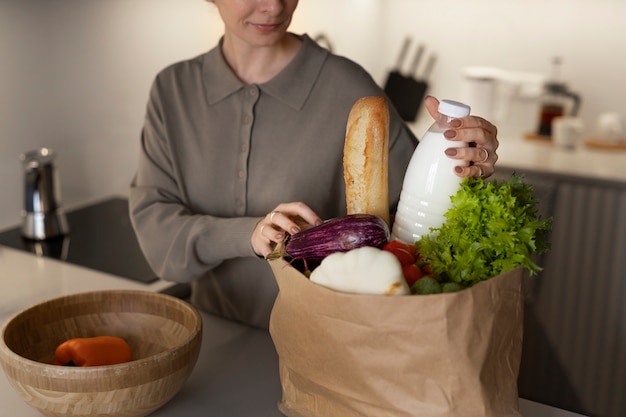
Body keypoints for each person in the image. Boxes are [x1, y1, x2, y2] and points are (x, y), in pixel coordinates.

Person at [129, 0, 499, 329]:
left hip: (328, 342)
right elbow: (158, 240)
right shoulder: (173, 90)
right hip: (212, 336)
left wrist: (464, 172)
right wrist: (250, 234)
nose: (274, 7)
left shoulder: (350, 88)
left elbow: (425, 234)